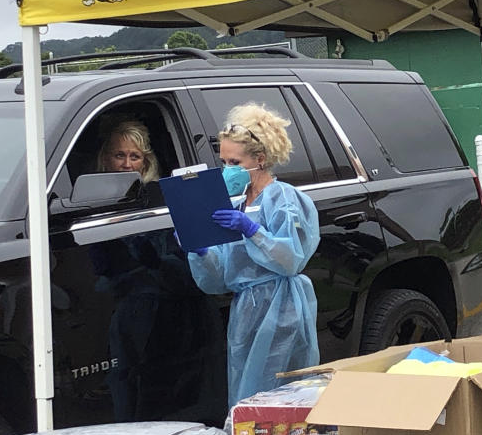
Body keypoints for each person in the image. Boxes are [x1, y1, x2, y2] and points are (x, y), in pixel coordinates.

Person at [184, 103, 320, 406]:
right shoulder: (233, 204)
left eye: (235, 162)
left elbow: (291, 259)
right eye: (223, 162)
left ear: (260, 160)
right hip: (247, 310)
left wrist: (252, 230)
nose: (227, 170)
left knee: (282, 397)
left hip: (281, 309)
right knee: (249, 397)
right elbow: (219, 278)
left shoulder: (282, 198)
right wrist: (201, 250)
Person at [96, 119, 160, 183]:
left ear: (145, 163)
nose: (127, 165)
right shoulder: (91, 190)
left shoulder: (156, 191)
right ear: (105, 159)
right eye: (120, 156)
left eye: (135, 157)